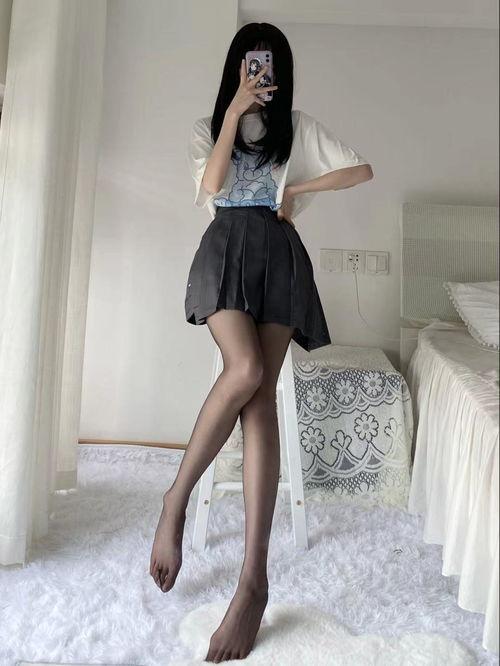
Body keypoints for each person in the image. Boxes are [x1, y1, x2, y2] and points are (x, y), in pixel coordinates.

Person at [150, 22, 373, 664]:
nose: (261, 71)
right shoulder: (207, 127)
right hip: (225, 249)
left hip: (278, 256)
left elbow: (361, 169)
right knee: (245, 368)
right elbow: (213, 187)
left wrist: (297, 189)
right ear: (237, 66)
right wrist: (233, 114)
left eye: (270, 63)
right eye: (253, 62)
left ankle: (254, 579)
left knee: (261, 400)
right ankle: (175, 498)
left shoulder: (296, 128)